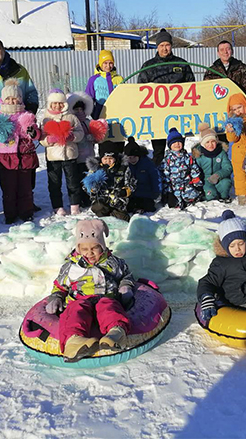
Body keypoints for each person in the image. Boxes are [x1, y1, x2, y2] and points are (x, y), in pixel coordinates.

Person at [44, 219, 135, 362]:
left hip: (106, 297)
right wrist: (56, 297)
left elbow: (126, 276)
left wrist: (125, 287)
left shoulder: (113, 263)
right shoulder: (71, 267)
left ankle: (116, 333)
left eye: (95, 248)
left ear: (102, 246)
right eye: (84, 249)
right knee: (75, 310)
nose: (90, 253)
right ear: (78, 249)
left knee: (109, 307)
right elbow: (60, 286)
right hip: (80, 299)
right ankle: (74, 341)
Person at [0, 80, 42, 224]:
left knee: (26, 188)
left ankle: (26, 212)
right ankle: (10, 213)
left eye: (15, 98)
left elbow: (36, 134)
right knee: (9, 189)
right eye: (8, 98)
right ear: (3, 100)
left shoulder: (26, 116)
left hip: (25, 156)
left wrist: (33, 132)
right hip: (6, 157)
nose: (12, 101)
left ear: (20, 99)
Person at [137, 28, 195, 165]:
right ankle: (158, 179)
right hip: (157, 116)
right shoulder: (148, 66)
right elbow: (140, 90)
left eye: (167, 45)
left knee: (178, 149)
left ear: (171, 46)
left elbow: (192, 86)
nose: (165, 48)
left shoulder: (181, 64)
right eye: (161, 45)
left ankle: (180, 178)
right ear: (157, 46)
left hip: (179, 115)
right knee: (158, 151)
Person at [40, 89, 86, 216]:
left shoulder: (71, 117)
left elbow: (80, 132)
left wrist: (72, 137)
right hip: (53, 157)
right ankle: (57, 206)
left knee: (73, 182)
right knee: (55, 183)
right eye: (54, 103)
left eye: (60, 103)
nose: (57, 106)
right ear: (50, 104)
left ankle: (74, 204)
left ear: (64, 104)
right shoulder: (46, 119)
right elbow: (41, 138)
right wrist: (48, 140)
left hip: (69, 154)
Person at [83, 141, 137, 222]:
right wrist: (92, 189)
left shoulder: (123, 168)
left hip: (118, 200)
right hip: (102, 200)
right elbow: (85, 186)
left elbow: (132, 183)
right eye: (105, 159)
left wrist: (126, 191)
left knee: (124, 219)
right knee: (98, 207)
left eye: (110, 159)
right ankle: (105, 218)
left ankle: (114, 213)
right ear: (101, 159)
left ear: (115, 158)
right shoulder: (95, 169)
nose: (108, 161)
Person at [161, 128, 204, 209]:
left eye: (179, 142)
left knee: (192, 195)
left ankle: (189, 199)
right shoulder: (167, 158)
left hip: (186, 183)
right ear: (170, 145)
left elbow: (193, 168)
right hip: (173, 186)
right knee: (172, 203)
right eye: (174, 142)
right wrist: (166, 187)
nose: (177, 144)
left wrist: (196, 181)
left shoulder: (187, 157)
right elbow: (164, 173)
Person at [67, 91, 97, 207]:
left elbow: (97, 137)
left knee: (89, 177)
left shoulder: (88, 123)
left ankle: (89, 197)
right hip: (77, 156)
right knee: (79, 178)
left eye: (81, 109)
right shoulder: (72, 123)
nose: (79, 112)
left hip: (89, 155)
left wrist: (93, 137)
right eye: (77, 110)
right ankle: (80, 198)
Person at [191, 123, 233, 203]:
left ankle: (224, 197)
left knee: (226, 184)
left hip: (219, 177)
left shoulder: (221, 152)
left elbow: (228, 167)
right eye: (207, 142)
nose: (210, 145)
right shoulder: (199, 155)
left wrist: (218, 175)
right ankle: (209, 195)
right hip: (206, 180)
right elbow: (195, 171)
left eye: (213, 141)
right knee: (211, 195)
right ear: (203, 144)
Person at [122, 137, 161, 214]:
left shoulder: (147, 164)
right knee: (128, 207)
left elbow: (155, 179)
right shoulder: (125, 166)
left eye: (134, 157)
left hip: (146, 192)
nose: (132, 160)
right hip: (132, 194)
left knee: (149, 207)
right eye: (130, 158)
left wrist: (156, 193)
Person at [85, 49, 123, 120]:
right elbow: (88, 98)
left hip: (117, 112)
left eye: (110, 63)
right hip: (100, 114)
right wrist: (92, 113)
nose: (108, 66)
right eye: (105, 63)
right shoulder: (94, 79)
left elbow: (124, 96)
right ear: (100, 64)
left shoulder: (119, 79)